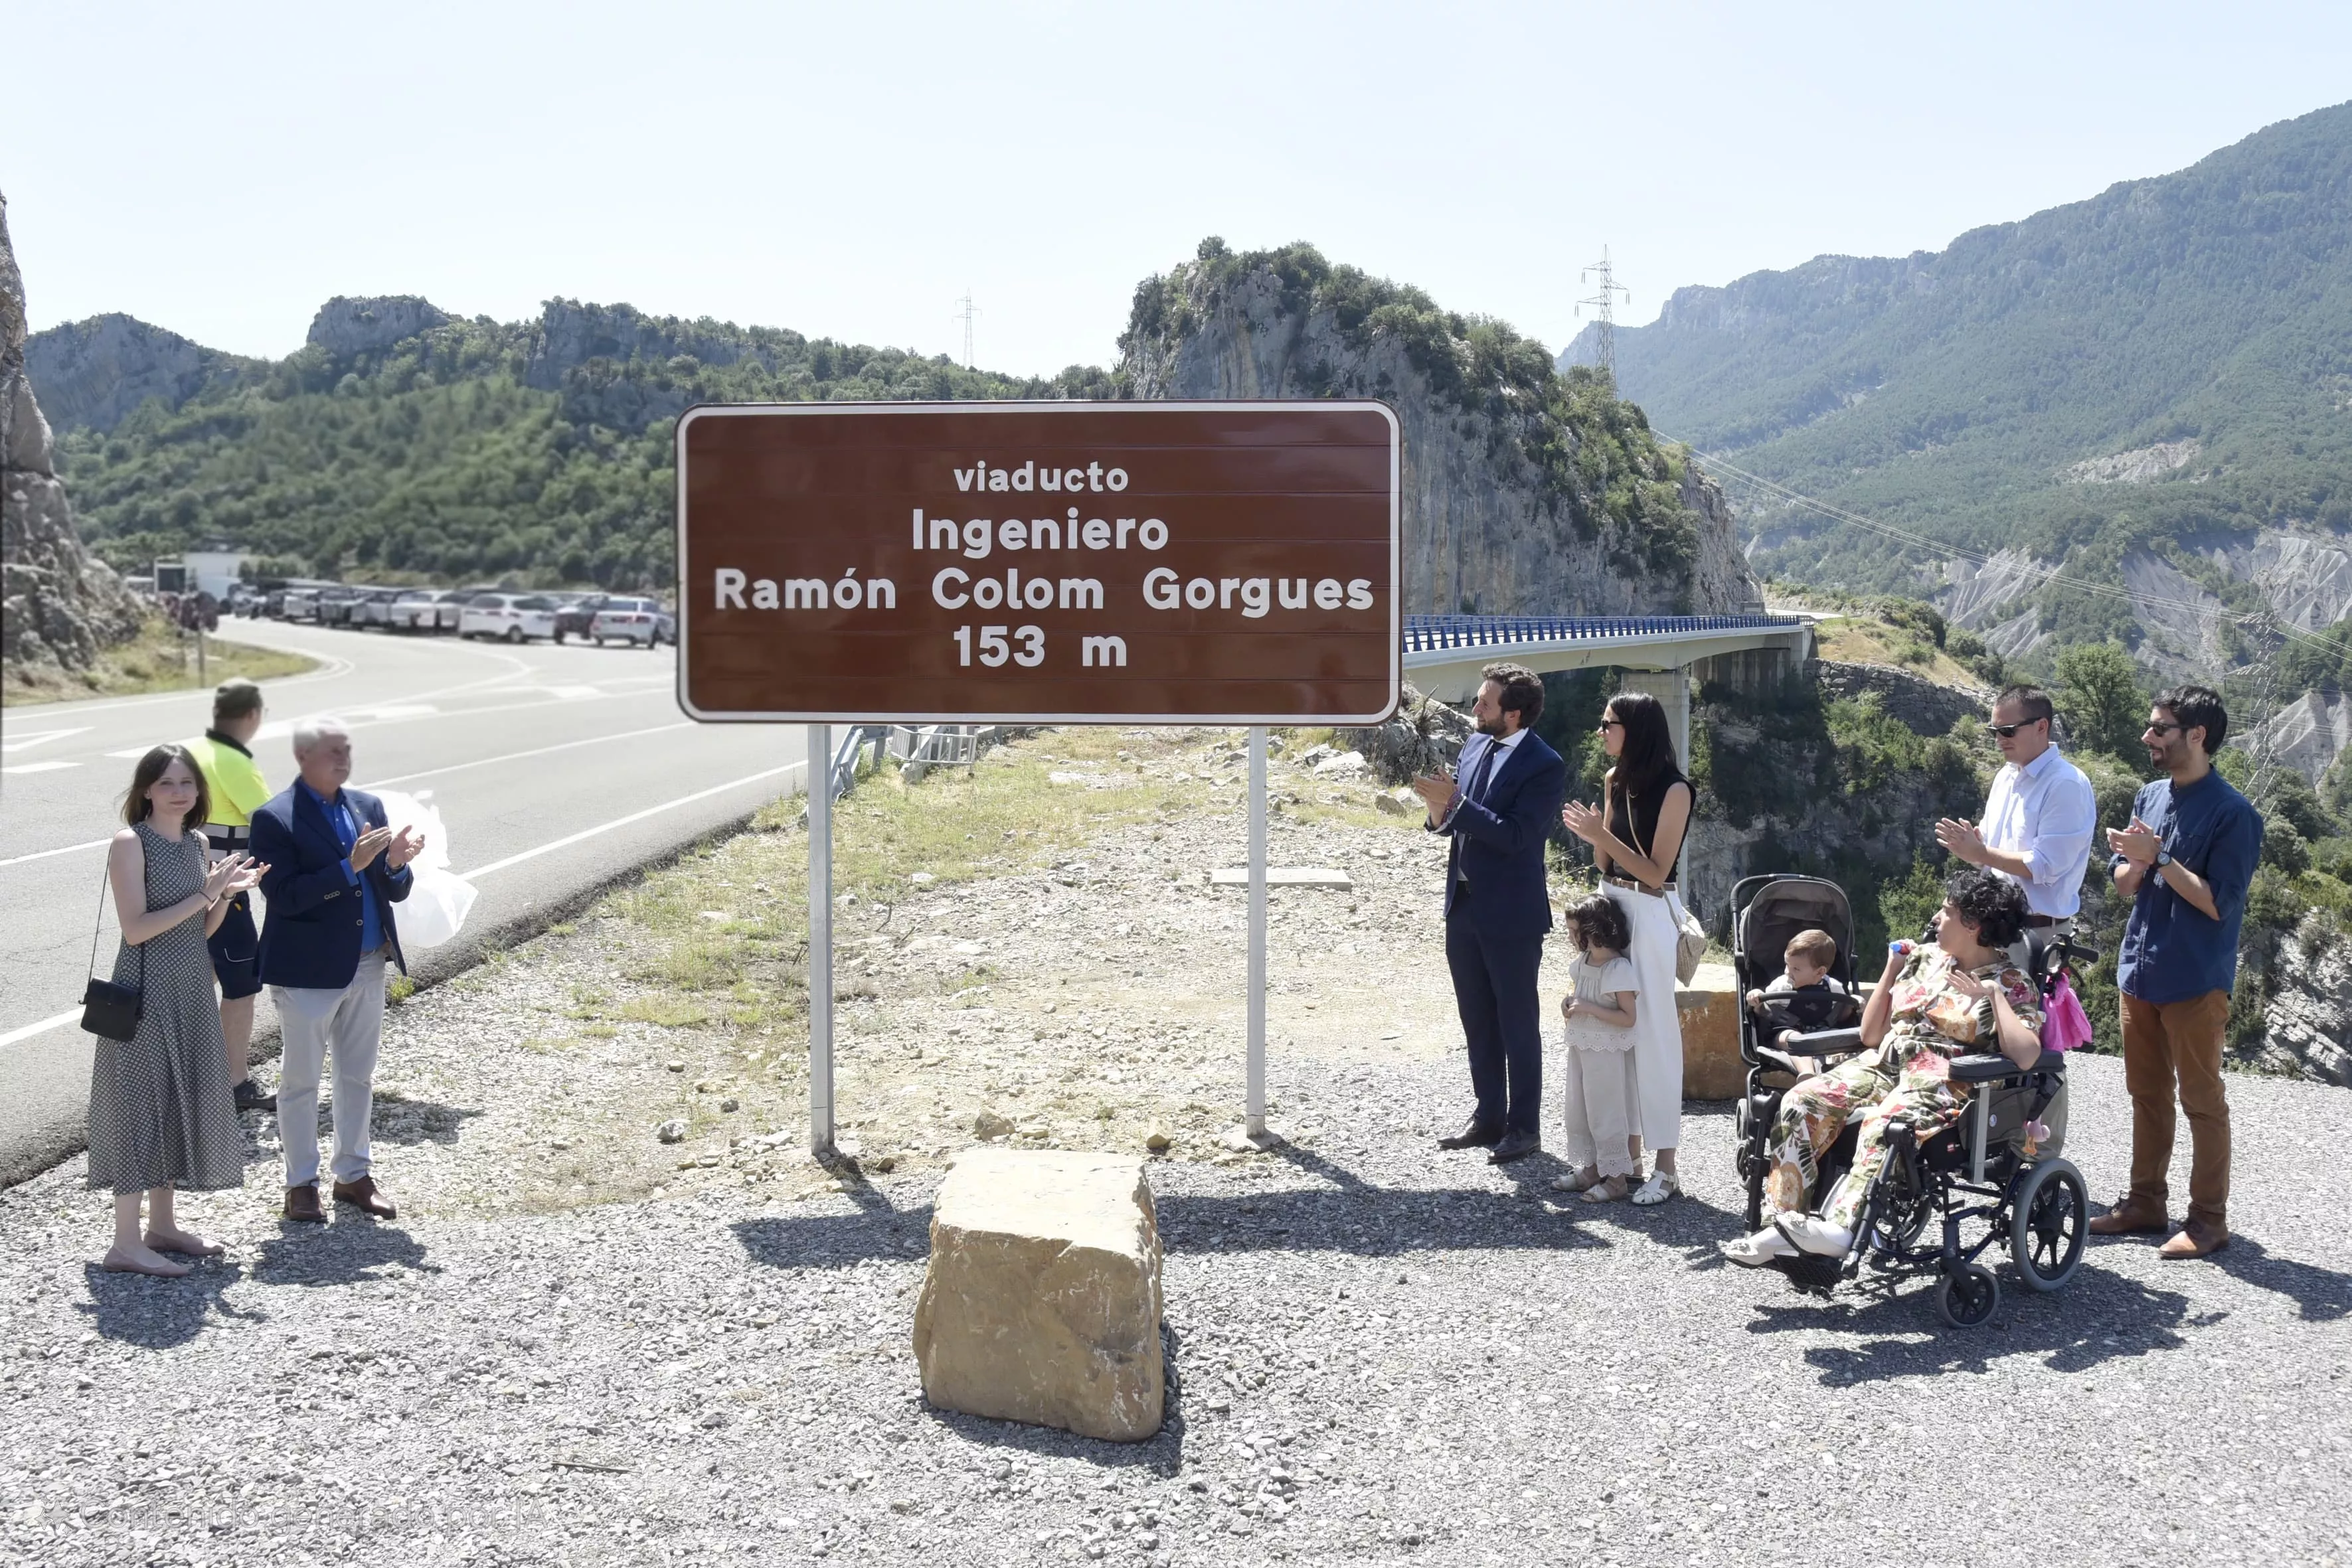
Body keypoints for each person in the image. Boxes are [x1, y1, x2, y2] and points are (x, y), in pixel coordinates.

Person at [1721, 868, 2044, 1265]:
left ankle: (1839, 1231)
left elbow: (2027, 1055)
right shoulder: (1925, 960)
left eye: (1946, 912)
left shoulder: (2011, 982)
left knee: (1881, 1124)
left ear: (1973, 924)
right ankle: (1783, 1224)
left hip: (1944, 1078)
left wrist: (1993, 995)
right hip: (1885, 1063)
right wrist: (1892, 969)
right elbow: (1872, 1035)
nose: (1936, 919)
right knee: (1801, 1101)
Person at [2090, 685, 2264, 1260]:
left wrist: (2160, 857)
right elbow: (2121, 883)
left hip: (2195, 980)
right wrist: (2135, 863)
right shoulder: (2150, 793)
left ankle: (2210, 1221)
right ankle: (2146, 1203)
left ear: (2197, 736)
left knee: (2202, 1101)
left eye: (2160, 729)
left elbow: (2219, 903)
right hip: (2140, 972)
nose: (2148, 737)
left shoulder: (2235, 814)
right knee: (2146, 1094)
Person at [88, 746, 266, 1276]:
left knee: (175, 1103)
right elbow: (136, 929)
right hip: (145, 991)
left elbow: (198, 931)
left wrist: (222, 897)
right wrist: (205, 891)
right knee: (140, 1108)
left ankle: (161, 1227)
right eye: (166, 783)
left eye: (187, 781)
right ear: (146, 790)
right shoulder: (130, 843)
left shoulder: (198, 842)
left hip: (190, 989)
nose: (179, 791)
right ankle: (124, 1242)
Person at [250, 719, 424, 1223]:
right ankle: (300, 1185)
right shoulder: (274, 818)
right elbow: (283, 896)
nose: (343, 759)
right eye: (332, 752)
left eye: (347, 750)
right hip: (307, 972)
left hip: (368, 964)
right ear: (303, 756)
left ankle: (353, 1175)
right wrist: (348, 866)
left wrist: (394, 865)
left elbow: (391, 888)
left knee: (357, 1077)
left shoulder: (367, 806)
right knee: (300, 1082)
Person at [1412, 663, 1569, 1165]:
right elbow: (1457, 821)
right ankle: (1488, 1118)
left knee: (1517, 1023)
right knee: (1477, 1018)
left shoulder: (1546, 765)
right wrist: (1440, 810)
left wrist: (1455, 803)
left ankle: (1525, 1128)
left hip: (1512, 914)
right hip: (1463, 906)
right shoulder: (1475, 743)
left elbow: (1518, 835)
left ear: (1514, 713)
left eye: (1485, 702)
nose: (1475, 708)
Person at [1561, 690, 1692, 1205]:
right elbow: (1605, 864)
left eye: (1608, 723)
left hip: (1651, 910)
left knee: (1655, 1035)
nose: (1601, 732)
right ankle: (1623, 1159)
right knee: (1620, 1033)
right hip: (1615, 906)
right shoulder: (1617, 781)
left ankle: (1666, 1166)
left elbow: (1657, 872)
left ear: (1634, 729)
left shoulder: (1675, 790)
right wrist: (1597, 837)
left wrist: (1603, 837)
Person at [1934, 683, 2098, 937]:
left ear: (2041, 727)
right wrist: (1971, 849)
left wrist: (1982, 852)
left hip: (2036, 932)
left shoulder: (2066, 784)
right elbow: (1989, 857)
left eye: (2008, 731)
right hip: (1993, 924)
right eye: (1994, 732)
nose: (1999, 740)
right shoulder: (2005, 776)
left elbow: (2045, 867)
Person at [184, 677, 276, 1113]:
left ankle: (179, 1076)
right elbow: (273, 823)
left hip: (186, 885)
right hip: (225, 890)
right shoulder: (234, 761)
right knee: (240, 984)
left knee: (196, 979)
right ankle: (234, 1082)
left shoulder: (193, 751)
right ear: (253, 716)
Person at [1549, 893, 1641, 1203]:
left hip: (1606, 1053)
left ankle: (1616, 1180)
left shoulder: (1618, 970)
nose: (1572, 938)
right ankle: (1590, 1170)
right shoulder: (1583, 964)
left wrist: (1588, 1008)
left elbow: (1628, 1018)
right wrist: (1570, 1006)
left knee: (1606, 1111)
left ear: (1596, 930)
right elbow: (1580, 997)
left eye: (1577, 932)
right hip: (1581, 1047)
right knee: (1579, 1109)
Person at [1745, 928, 1851, 1067]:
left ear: (1820, 972)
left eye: (1796, 969)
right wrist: (1757, 1000)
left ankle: (1834, 1071)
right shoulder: (1782, 986)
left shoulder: (1834, 988)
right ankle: (1807, 1073)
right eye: (1787, 965)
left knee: (1839, 1038)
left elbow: (1841, 1016)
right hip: (1787, 1032)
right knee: (1795, 1040)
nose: (1787, 972)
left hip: (1821, 1032)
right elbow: (1764, 1013)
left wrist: (1852, 1004)